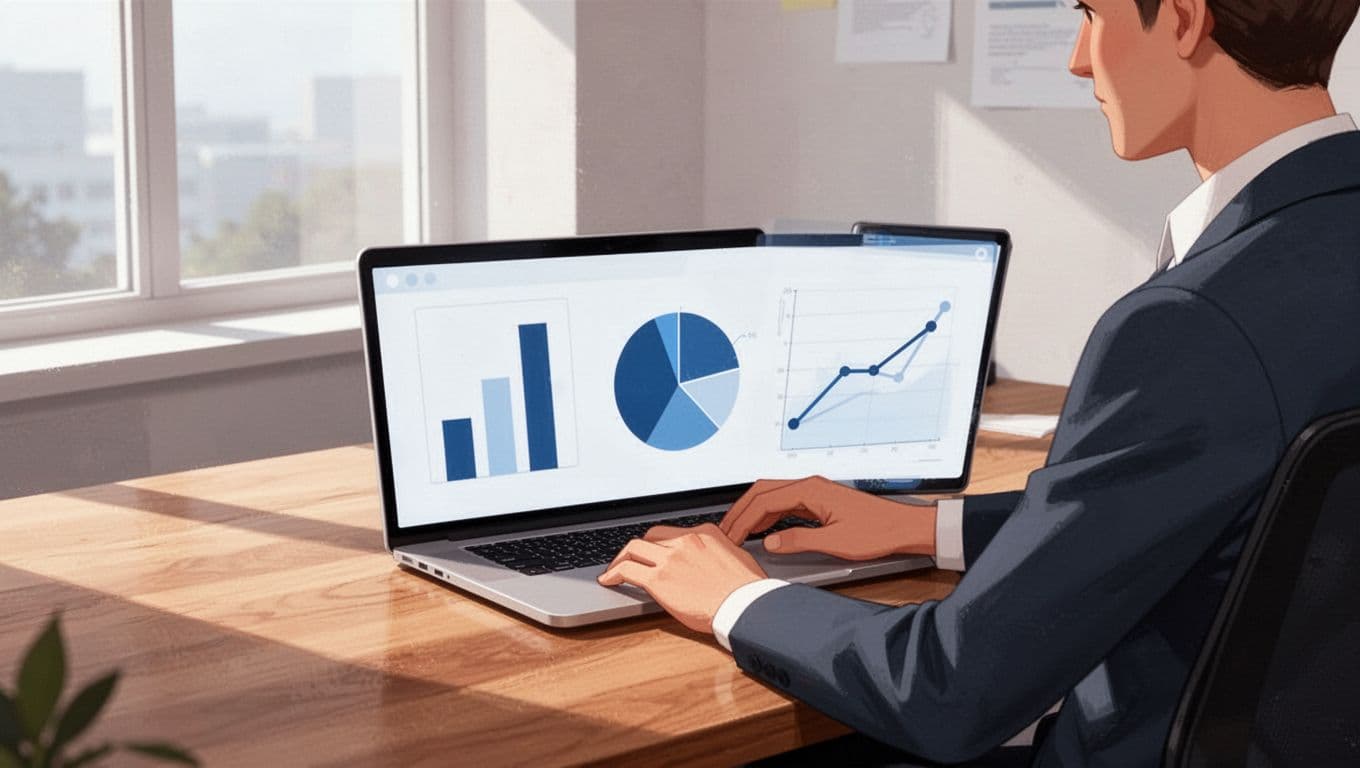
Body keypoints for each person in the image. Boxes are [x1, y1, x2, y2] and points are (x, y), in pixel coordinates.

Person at [598, 0, 1360, 764]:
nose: (1079, 59)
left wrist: (737, 598)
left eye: (1092, 14)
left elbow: (948, 690)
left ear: (1187, 20)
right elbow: (1235, 509)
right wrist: (926, 528)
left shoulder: (1188, 320)